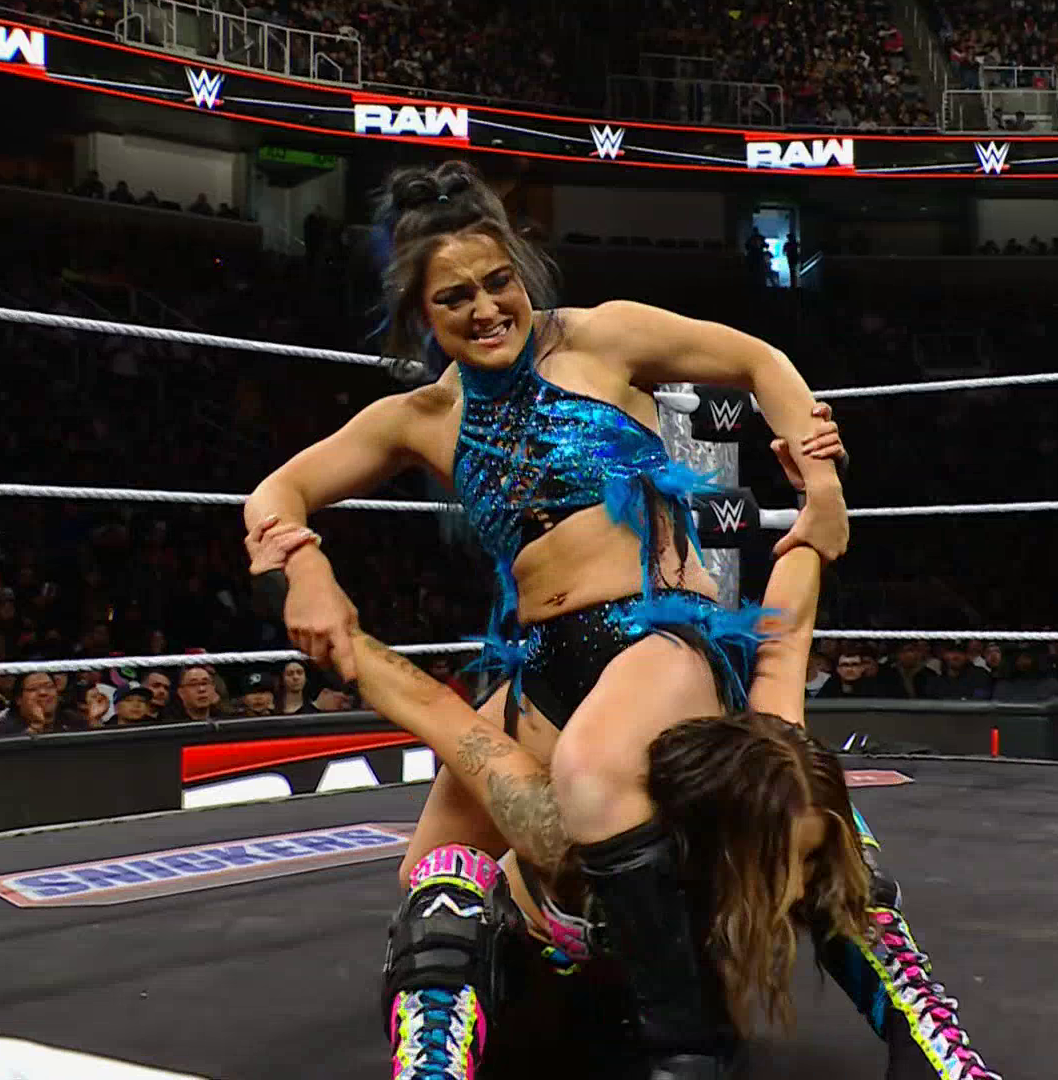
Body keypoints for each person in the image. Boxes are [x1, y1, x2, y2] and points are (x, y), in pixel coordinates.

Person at [244, 160, 848, 1079]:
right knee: (435, 867)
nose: (487, 309)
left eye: (499, 282)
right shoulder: (419, 416)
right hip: (537, 664)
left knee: (589, 777)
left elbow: (759, 359)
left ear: (522, 272)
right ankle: (467, 1046)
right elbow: (274, 493)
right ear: (422, 315)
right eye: (455, 297)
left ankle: (687, 1050)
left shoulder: (603, 339)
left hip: (659, 634)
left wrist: (822, 484)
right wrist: (308, 569)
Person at [247, 455, 1001, 1080]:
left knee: (844, 842)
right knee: (447, 882)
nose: (799, 890)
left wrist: (823, 498)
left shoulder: (761, 753)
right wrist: (309, 592)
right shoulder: (567, 821)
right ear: (718, 838)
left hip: (680, 1019)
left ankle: (932, 1053)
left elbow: (787, 628)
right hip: (548, 1002)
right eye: (781, 863)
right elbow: (435, 713)